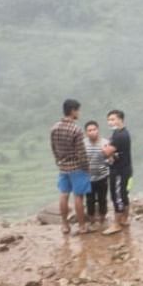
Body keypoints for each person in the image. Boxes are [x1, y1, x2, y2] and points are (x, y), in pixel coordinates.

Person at [51, 99, 90, 236]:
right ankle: (82, 226)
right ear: (73, 111)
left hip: (63, 167)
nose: (79, 113)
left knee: (63, 194)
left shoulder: (54, 128)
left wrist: (59, 161)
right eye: (78, 110)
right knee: (78, 197)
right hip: (77, 167)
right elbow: (81, 152)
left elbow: (54, 148)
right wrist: (86, 167)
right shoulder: (76, 129)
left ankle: (65, 225)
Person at [104, 109, 132, 234]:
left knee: (117, 196)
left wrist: (102, 146)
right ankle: (124, 219)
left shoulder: (120, 135)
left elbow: (106, 152)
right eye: (109, 120)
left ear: (120, 119)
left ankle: (116, 224)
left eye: (113, 119)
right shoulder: (120, 133)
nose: (110, 122)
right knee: (124, 194)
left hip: (119, 171)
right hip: (125, 168)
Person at [83, 120, 111, 233]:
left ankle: (103, 219)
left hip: (103, 176)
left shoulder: (105, 142)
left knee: (102, 199)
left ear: (98, 130)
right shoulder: (83, 144)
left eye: (94, 129)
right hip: (88, 178)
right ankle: (92, 221)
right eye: (89, 130)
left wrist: (109, 158)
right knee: (90, 200)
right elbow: (80, 159)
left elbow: (111, 158)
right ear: (86, 132)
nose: (92, 132)